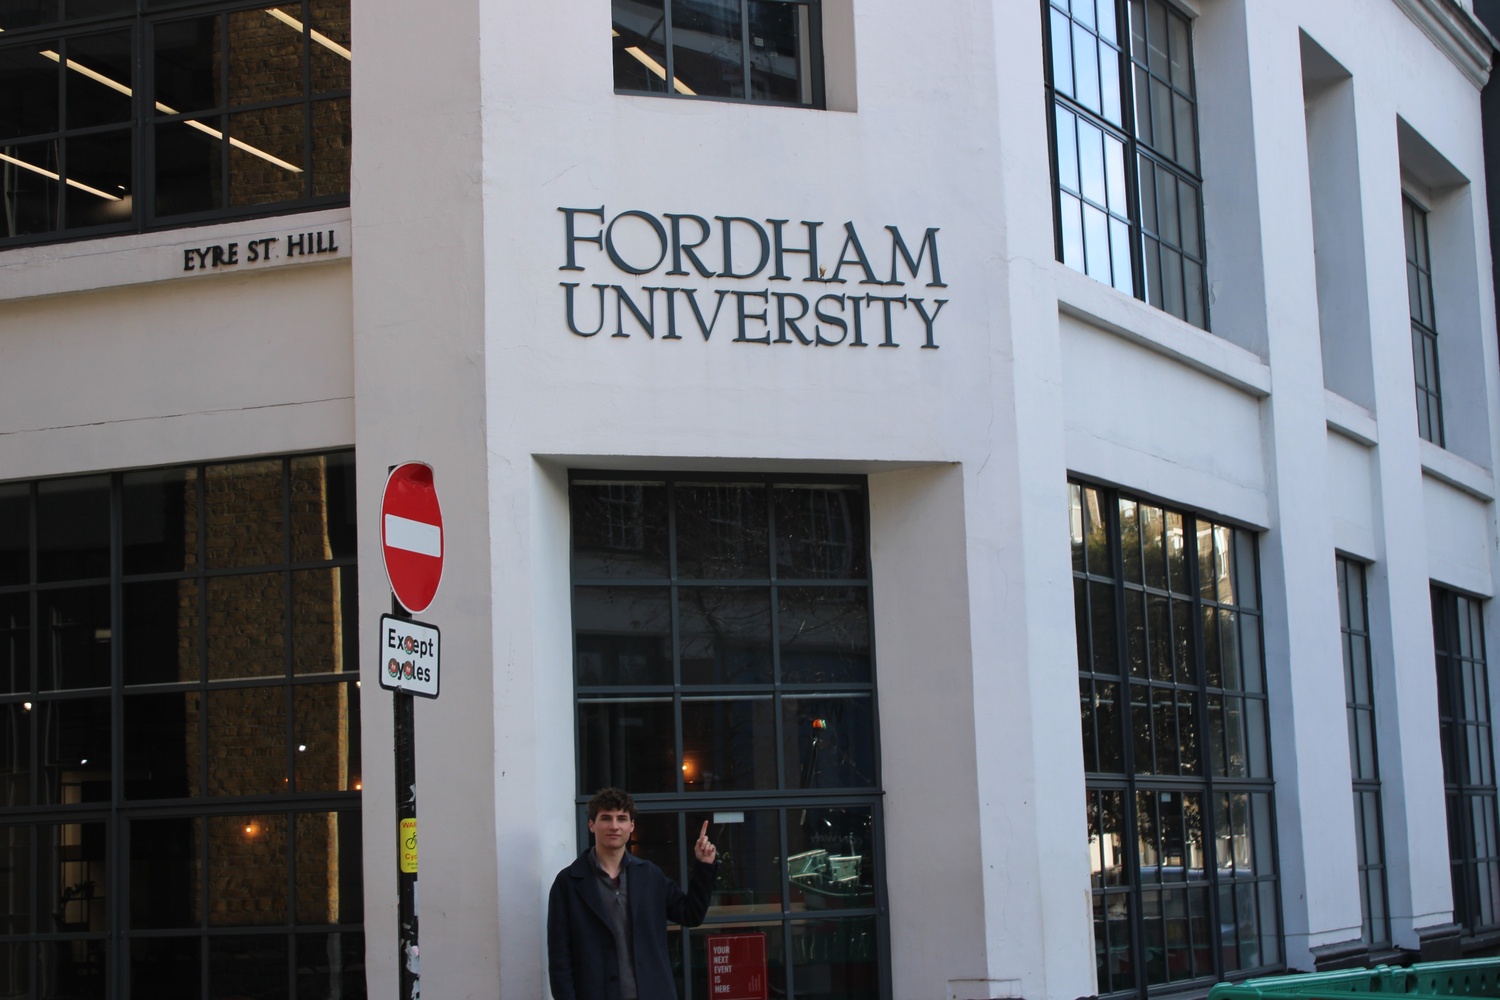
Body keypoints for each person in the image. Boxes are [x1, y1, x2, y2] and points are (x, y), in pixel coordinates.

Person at [547, 788, 718, 1000]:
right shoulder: (568, 883)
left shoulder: (650, 875)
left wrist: (704, 866)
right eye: (606, 818)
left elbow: (691, 914)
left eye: (622, 819)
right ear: (591, 825)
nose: (614, 826)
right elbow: (560, 959)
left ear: (631, 826)